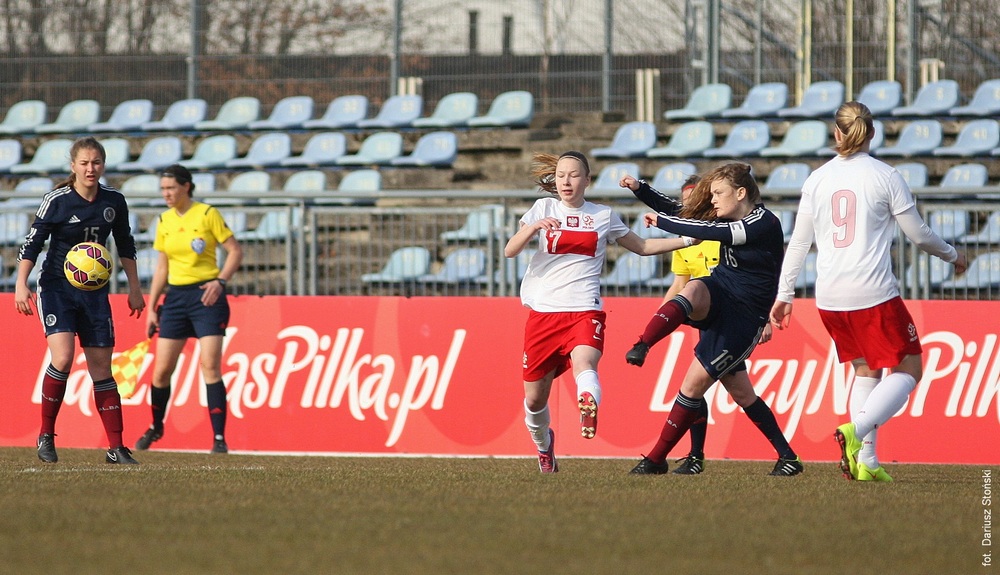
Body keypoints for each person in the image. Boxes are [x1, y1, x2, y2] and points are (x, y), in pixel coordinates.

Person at [769, 101, 968, 482]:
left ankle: (868, 463)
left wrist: (785, 294)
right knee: (910, 368)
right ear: (872, 133)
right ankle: (856, 432)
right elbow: (919, 235)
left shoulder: (817, 179)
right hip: (872, 292)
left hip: (829, 297)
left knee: (866, 370)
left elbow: (799, 243)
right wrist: (953, 255)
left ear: (836, 133)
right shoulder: (885, 176)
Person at [505, 151, 693, 473]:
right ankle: (544, 446)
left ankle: (588, 403)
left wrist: (688, 241)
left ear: (587, 180)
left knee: (586, 363)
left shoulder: (603, 215)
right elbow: (510, 250)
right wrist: (534, 227)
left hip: (584, 309)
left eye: (573, 175)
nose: (566, 181)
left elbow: (643, 247)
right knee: (534, 400)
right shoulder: (543, 208)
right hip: (544, 314)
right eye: (560, 175)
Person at [621, 162, 803, 476]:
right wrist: (641, 189)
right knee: (692, 289)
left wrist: (664, 223)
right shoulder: (726, 215)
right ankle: (643, 344)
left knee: (714, 389)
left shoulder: (763, 222)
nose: (713, 199)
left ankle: (656, 459)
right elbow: (683, 211)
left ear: (741, 193)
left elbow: (708, 230)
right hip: (720, 290)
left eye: (718, 193)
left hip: (743, 318)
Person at [14, 136, 147, 465]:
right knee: (63, 357)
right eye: (84, 163)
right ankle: (46, 435)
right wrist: (20, 284)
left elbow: (126, 243)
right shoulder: (57, 200)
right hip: (56, 288)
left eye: (96, 162)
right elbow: (33, 243)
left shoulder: (113, 200)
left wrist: (134, 288)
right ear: (73, 166)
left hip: (95, 293)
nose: (91, 168)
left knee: (102, 367)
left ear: (103, 165)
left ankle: (116, 447)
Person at [134, 164, 243, 454]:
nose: (166, 194)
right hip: (175, 298)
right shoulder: (164, 220)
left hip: (206, 296)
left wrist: (220, 281)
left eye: (171, 188)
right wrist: (152, 307)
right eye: (163, 189)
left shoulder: (207, 214)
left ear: (186, 187)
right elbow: (162, 267)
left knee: (210, 366)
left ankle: (219, 438)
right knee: (161, 371)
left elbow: (235, 250)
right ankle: (156, 426)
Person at [630, 174, 721, 475]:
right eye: (684, 202)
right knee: (700, 388)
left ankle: (785, 455)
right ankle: (695, 456)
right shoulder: (686, 240)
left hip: (730, 317)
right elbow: (680, 284)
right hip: (707, 319)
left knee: (712, 389)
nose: (688, 207)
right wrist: (658, 321)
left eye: (693, 200)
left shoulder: (722, 231)